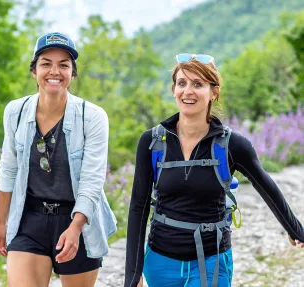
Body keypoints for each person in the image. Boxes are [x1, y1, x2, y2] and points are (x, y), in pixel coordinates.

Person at [124, 53, 304, 287]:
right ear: (173, 89)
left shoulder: (232, 145)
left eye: (198, 84)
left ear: (214, 92)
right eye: (182, 83)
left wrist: (296, 230)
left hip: (211, 261)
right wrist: (133, 274)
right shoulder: (152, 141)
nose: (188, 91)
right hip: (160, 262)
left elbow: (267, 188)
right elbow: (138, 208)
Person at [0, 32, 117, 287]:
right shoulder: (15, 112)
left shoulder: (92, 117)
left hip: (77, 219)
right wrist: (1, 223)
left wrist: (75, 228)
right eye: (46, 63)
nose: (55, 71)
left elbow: (92, 181)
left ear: (72, 73)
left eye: (64, 65)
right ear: (34, 71)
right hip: (30, 218)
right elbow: (8, 169)